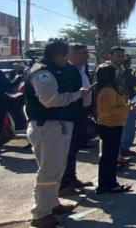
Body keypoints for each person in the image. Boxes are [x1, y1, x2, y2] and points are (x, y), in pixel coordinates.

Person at [25, 41, 89, 227]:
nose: (69, 59)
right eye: (67, 55)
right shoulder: (43, 72)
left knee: (57, 169)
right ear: (59, 55)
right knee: (48, 171)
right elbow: (49, 100)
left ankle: (51, 204)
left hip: (58, 126)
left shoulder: (56, 69)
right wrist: (77, 95)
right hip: (47, 127)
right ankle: (40, 214)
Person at [59, 43, 94, 197]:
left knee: (74, 148)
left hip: (82, 112)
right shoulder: (67, 70)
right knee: (67, 149)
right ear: (71, 55)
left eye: (86, 53)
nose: (86, 56)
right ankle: (64, 184)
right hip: (72, 114)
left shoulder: (82, 69)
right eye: (82, 54)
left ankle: (72, 178)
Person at [93, 64, 132, 194]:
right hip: (110, 125)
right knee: (109, 158)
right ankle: (110, 184)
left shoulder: (104, 89)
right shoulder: (108, 91)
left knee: (107, 157)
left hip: (109, 125)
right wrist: (127, 107)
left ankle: (106, 184)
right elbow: (110, 111)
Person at [119, 57, 136, 158]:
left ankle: (124, 149)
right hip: (127, 102)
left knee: (127, 125)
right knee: (129, 125)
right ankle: (124, 149)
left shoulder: (121, 72)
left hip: (125, 101)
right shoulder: (126, 73)